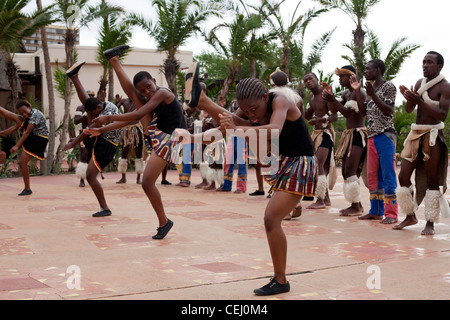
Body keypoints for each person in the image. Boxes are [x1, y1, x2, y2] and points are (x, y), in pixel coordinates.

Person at [182, 62, 318, 296]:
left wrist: (235, 128)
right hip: (283, 159)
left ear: (265, 97)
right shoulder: (249, 109)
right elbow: (225, 128)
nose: (252, 114)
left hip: (301, 163)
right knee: (271, 220)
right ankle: (203, 100)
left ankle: (281, 280)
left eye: (254, 108)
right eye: (247, 110)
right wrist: (192, 138)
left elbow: (273, 129)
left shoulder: (281, 100)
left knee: (271, 219)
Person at [86, 45, 186, 240]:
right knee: (134, 97)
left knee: (147, 182)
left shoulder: (163, 93)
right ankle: (114, 60)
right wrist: (100, 130)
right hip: (158, 133)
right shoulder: (151, 97)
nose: (147, 92)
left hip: (171, 140)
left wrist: (107, 118)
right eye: (143, 90)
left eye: (148, 87)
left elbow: (138, 113)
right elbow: (131, 121)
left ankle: (164, 222)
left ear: (155, 82)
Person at [394, 51, 450, 235]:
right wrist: (410, 100)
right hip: (416, 134)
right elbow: (410, 110)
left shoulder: (444, 86)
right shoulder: (420, 83)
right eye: (424, 62)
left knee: (432, 179)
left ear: (440, 66)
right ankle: (410, 215)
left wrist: (420, 101)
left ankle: (430, 223)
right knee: (403, 176)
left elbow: (442, 114)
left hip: (432, 135)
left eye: (430, 62)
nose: (425, 65)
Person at [64, 61, 122, 217]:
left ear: (98, 109)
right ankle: (74, 77)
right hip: (101, 140)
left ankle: (105, 208)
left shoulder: (102, 116)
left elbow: (88, 131)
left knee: (90, 176)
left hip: (107, 145)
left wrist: (73, 142)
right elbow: (89, 109)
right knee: (90, 175)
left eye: (93, 113)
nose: (92, 116)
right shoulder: (101, 105)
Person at [351, 59, 398, 224]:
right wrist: (358, 92)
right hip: (371, 136)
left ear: (377, 70)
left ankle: (391, 213)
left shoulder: (389, 87)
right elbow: (363, 112)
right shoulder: (372, 89)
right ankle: (376, 211)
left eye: (368, 68)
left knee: (387, 174)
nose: (365, 71)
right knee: (372, 176)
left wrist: (372, 95)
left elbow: (388, 110)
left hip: (385, 135)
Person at [323, 66, 368, 216]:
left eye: (342, 76)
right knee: (346, 170)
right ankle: (356, 205)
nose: (339, 79)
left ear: (350, 77)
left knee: (351, 169)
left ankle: (356, 206)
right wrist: (329, 97)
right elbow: (334, 110)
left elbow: (348, 113)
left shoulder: (358, 92)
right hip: (349, 134)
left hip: (357, 134)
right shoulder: (345, 93)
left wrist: (332, 100)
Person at [304, 72, 338, 209]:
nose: (308, 82)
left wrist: (322, 120)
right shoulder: (311, 97)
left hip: (326, 133)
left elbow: (334, 116)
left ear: (317, 79)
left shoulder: (325, 94)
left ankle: (320, 200)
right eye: (305, 80)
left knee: (317, 164)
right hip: (316, 133)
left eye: (310, 79)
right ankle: (326, 198)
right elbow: (307, 115)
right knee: (319, 166)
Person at [0, 101, 48, 196]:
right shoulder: (28, 117)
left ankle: (27, 189)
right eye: (22, 113)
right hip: (34, 137)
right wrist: (0, 133)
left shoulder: (35, 114)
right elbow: (14, 128)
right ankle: (27, 189)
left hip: (39, 139)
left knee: (22, 162)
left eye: (26, 112)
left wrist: (16, 145)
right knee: (17, 119)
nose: (25, 115)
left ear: (29, 106)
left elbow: (27, 132)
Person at [217, 98, 247, 194]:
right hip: (231, 134)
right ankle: (226, 185)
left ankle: (241, 187)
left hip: (242, 134)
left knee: (242, 162)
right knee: (228, 160)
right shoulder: (233, 102)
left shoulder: (246, 103)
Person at [115, 95, 147, 185]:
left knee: (138, 152)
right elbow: (115, 109)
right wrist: (117, 102)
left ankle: (138, 178)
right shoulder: (124, 101)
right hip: (126, 129)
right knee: (124, 152)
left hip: (136, 128)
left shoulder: (138, 101)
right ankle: (123, 177)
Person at [73, 90, 95, 187]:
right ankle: (82, 179)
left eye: (91, 96)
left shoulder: (96, 108)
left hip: (94, 134)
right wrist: (84, 116)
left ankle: (91, 178)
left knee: (92, 157)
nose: (89, 98)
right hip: (84, 134)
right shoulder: (80, 108)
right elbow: (76, 121)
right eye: (88, 96)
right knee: (84, 155)